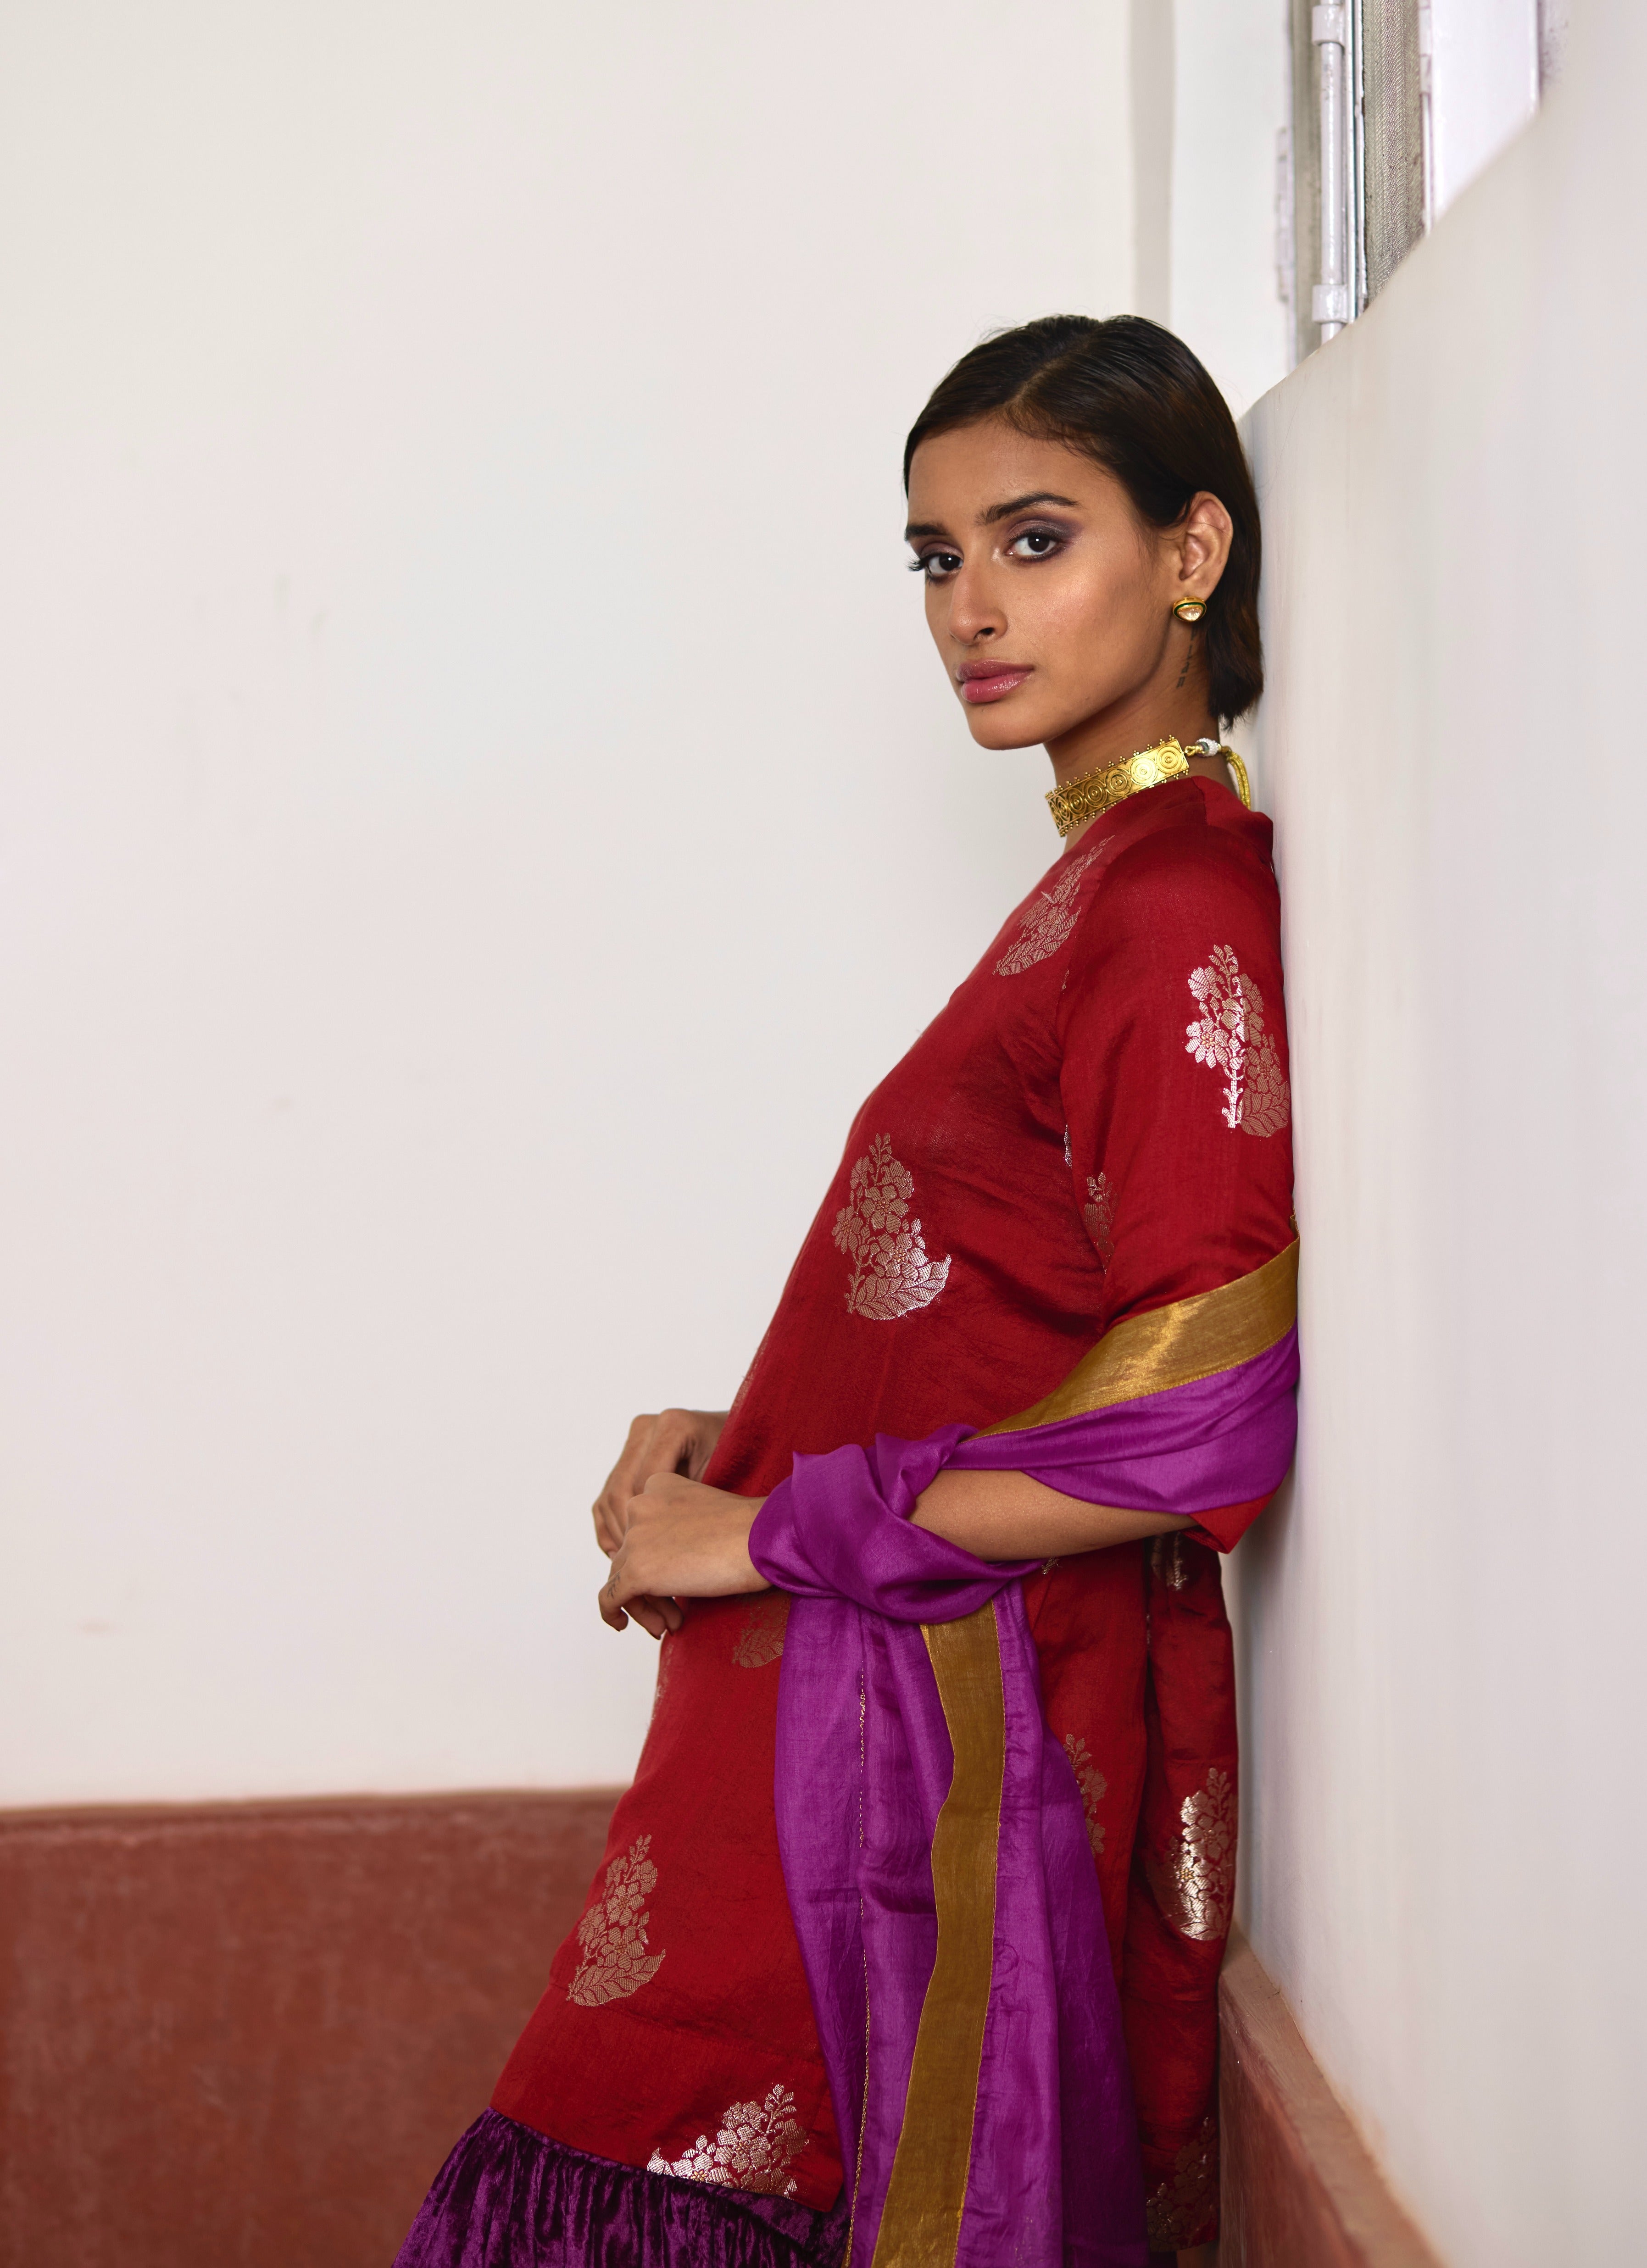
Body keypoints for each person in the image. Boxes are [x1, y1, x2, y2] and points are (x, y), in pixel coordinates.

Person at [396, 314, 1297, 2268]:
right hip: (844, 1691)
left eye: (1034, 540)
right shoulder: (1094, 885)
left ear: (1194, 554)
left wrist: (774, 1527)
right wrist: (745, 1432)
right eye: (934, 556)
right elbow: (992, 1309)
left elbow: (1199, 1419)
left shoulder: (1175, 903)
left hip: (919, 1737)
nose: (970, 607)